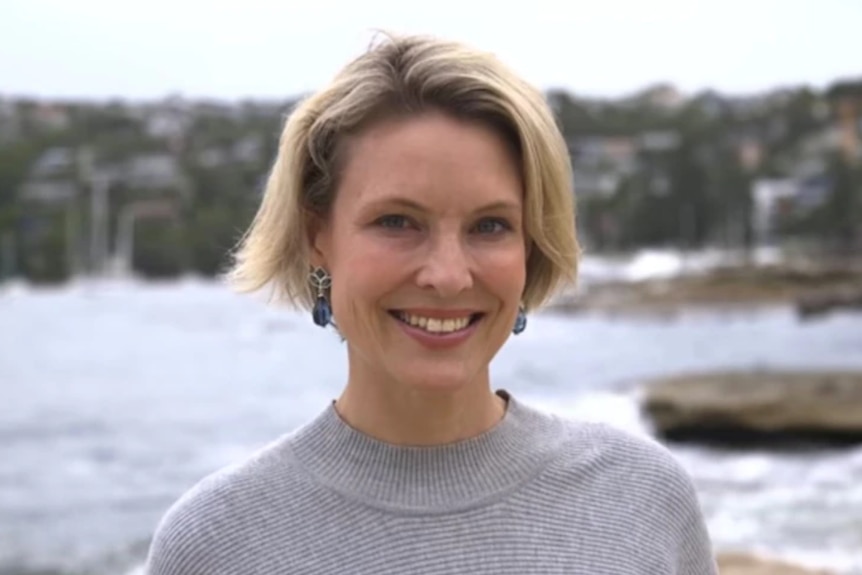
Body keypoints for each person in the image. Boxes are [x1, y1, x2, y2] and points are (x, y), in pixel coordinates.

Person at [145, 33, 718, 575]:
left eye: (490, 225)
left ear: (531, 245)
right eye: (398, 221)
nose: (447, 276)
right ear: (317, 236)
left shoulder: (643, 500)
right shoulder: (216, 544)